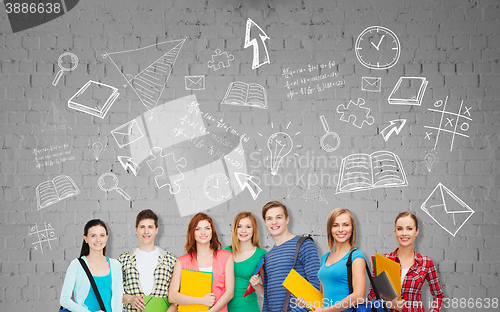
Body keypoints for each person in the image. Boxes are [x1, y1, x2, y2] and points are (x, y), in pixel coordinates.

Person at [368, 212, 444, 312]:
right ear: (395, 232)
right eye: (400, 229)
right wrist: (390, 304)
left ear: (417, 232)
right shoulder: (383, 260)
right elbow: (371, 298)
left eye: (409, 228)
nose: (404, 233)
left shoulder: (426, 263)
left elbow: (439, 296)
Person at [299, 208, 366, 312]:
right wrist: (306, 301)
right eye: (335, 225)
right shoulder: (324, 258)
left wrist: (326, 311)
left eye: (345, 225)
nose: (340, 229)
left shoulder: (356, 256)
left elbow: (359, 296)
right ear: (330, 229)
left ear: (352, 228)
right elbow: (322, 296)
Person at [261, 200, 321, 312]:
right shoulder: (268, 256)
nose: (274, 222)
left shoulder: (304, 244)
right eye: (269, 218)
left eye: (279, 217)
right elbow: (267, 296)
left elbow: (315, 285)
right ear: (265, 222)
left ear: (287, 219)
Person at [168, 212, 234, 312]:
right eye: (198, 229)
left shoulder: (226, 256)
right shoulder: (182, 262)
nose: (203, 232)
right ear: (192, 233)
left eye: (207, 228)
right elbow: (172, 296)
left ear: (212, 231)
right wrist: (202, 300)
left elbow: (229, 293)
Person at [118, 209, 177, 312]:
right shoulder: (123, 260)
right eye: (142, 227)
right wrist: (130, 299)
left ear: (156, 230)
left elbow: (177, 297)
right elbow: (112, 293)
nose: (146, 231)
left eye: (150, 227)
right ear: (136, 229)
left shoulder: (170, 260)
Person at [60, 219, 123, 312]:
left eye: (102, 235)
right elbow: (64, 300)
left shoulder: (116, 265)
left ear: (106, 237)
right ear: (86, 239)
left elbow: (118, 300)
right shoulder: (76, 265)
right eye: (93, 236)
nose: (98, 240)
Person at [223, 211, 266, 312]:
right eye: (239, 226)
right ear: (235, 229)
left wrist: (256, 285)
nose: (243, 231)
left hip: (248, 308)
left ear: (254, 229)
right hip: (224, 307)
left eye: (248, 227)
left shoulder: (261, 254)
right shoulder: (225, 252)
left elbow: (266, 293)